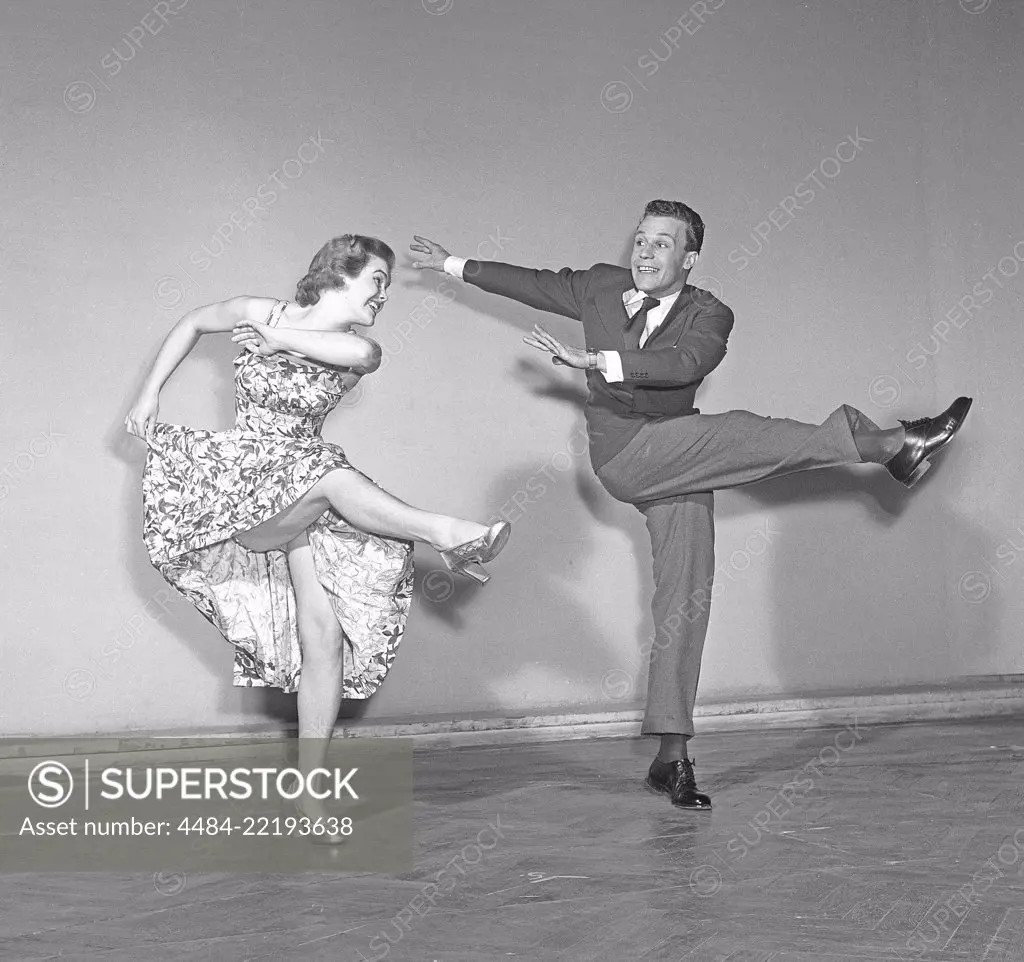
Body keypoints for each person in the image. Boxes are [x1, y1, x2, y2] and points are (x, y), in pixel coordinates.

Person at [410, 200, 972, 811]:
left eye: (661, 244)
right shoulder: (602, 287)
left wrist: (599, 361)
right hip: (627, 453)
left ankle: (670, 758)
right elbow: (533, 284)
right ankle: (894, 443)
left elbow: (686, 364)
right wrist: (451, 264)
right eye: (641, 240)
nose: (644, 252)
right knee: (739, 428)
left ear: (690, 258)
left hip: (679, 458)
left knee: (684, 601)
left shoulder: (711, 313)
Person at [125, 234, 510, 839]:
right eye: (376, 279)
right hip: (245, 491)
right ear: (340, 272)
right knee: (328, 468)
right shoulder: (260, 311)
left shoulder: (352, 346)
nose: (384, 294)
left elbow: (365, 356)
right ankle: (445, 530)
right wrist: (148, 397)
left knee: (325, 639)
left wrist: (279, 340)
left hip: (304, 497)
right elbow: (195, 321)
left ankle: (309, 797)